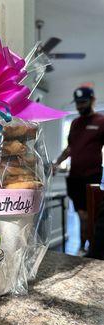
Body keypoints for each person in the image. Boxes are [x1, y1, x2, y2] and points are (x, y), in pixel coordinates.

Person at [53, 87, 104, 253]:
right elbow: (70, 149)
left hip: (92, 176)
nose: (80, 107)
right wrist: (56, 163)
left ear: (92, 100)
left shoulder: (100, 121)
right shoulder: (75, 123)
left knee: (91, 215)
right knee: (81, 214)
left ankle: (91, 249)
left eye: (83, 102)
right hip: (74, 177)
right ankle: (83, 247)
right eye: (77, 104)